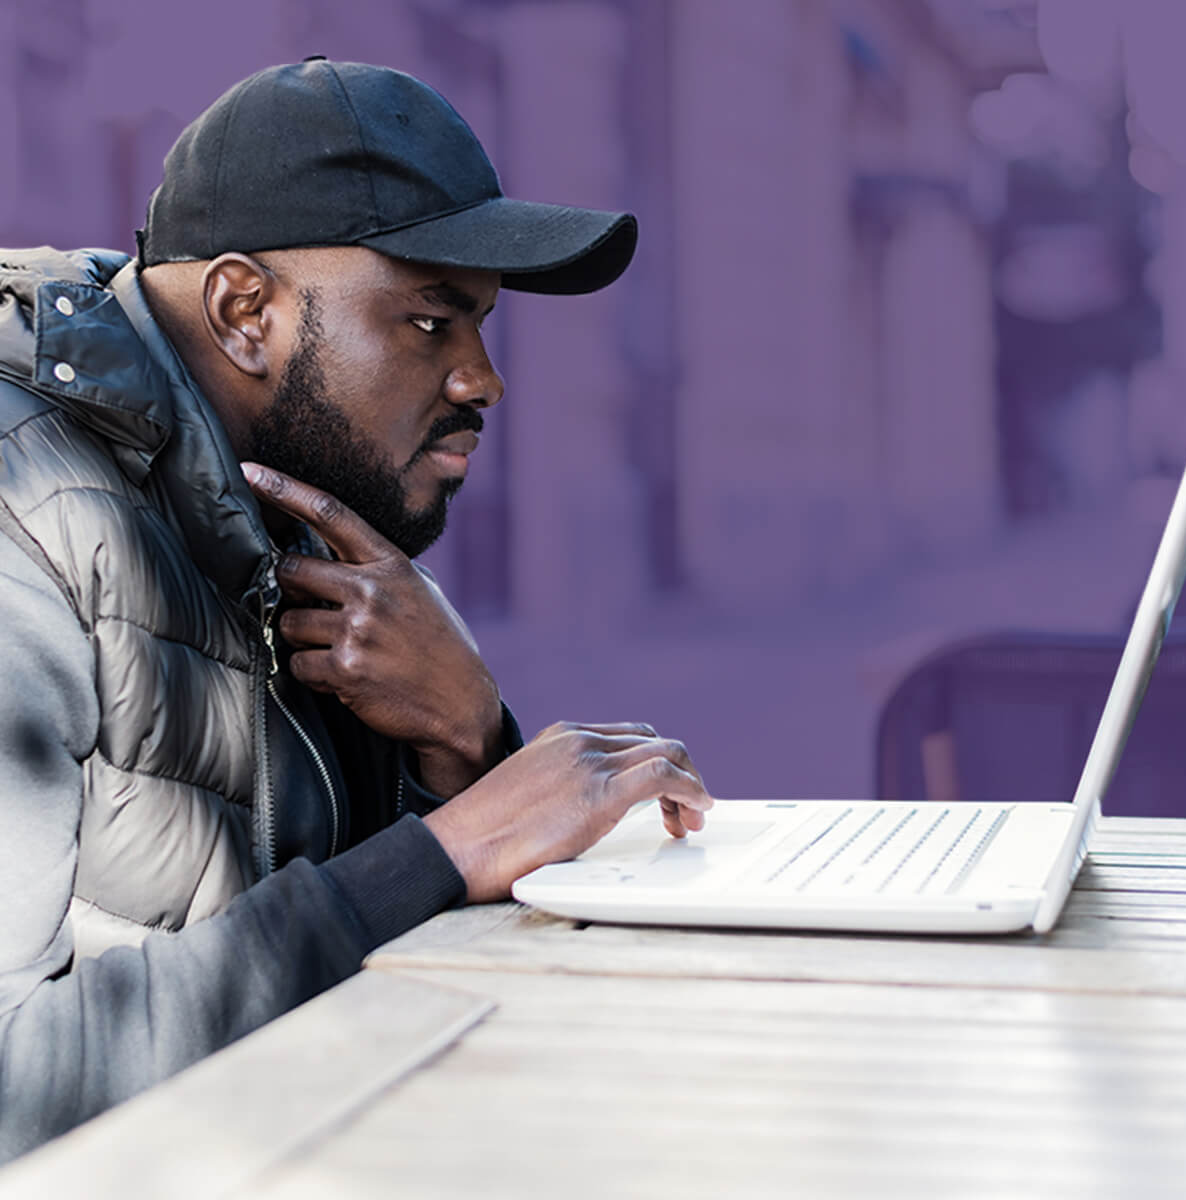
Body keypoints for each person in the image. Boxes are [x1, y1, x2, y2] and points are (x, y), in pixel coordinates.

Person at [0, 58, 711, 1163]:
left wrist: (462, 737)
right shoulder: (26, 514)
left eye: (481, 325)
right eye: (432, 322)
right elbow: (15, 1086)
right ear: (246, 311)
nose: (483, 379)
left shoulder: (279, 480)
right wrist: (444, 847)